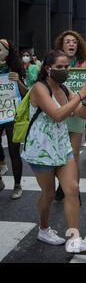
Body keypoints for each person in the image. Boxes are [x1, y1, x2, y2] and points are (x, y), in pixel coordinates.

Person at [22, 50, 86, 254]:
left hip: (62, 147)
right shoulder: (39, 88)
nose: (64, 70)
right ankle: (44, 229)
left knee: (72, 189)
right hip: (41, 149)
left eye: (66, 67)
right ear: (48, 68)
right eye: (59, 67)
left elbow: (81, 114)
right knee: (49, 193)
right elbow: (56, 115)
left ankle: (74, 238)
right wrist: (81, 94)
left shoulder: (65, 88)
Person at [53, 30, 86, 201]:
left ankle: (75, 189)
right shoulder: (54, 62)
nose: (71, 44)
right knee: (58, 152)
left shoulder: (85, 64)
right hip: (57, 111)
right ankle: (62, 184)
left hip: (77, 113)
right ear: (61, 44)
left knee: (74, 154)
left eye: (74, 41)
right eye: (67, 41)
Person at [0, 39, 26, 199]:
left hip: (11, 116)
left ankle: (17, 185)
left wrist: (17, 80)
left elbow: (26, 93)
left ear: (8, 53)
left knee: (14, 152)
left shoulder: (14, 69)